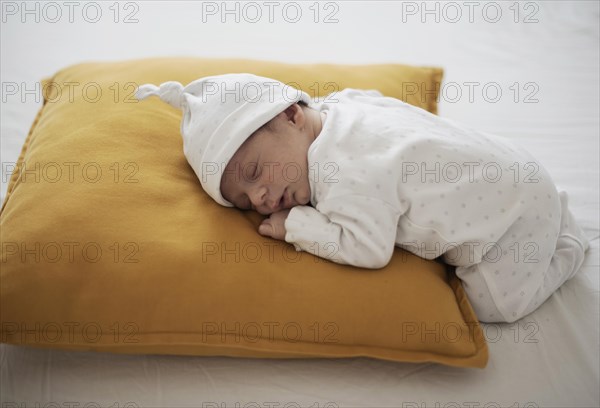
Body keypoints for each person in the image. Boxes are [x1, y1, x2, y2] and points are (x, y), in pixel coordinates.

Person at [136, 73, 590, 323]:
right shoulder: (343, 108)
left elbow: (369, 249)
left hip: (511, 223)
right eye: (243, 201)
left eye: (255, 172)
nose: (260, 198)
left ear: (292, 115)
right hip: (520, 166)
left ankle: (567, 249)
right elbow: (371, 97)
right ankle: (555, 210)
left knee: (491, 306)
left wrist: (297, 226)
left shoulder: (343, 172)